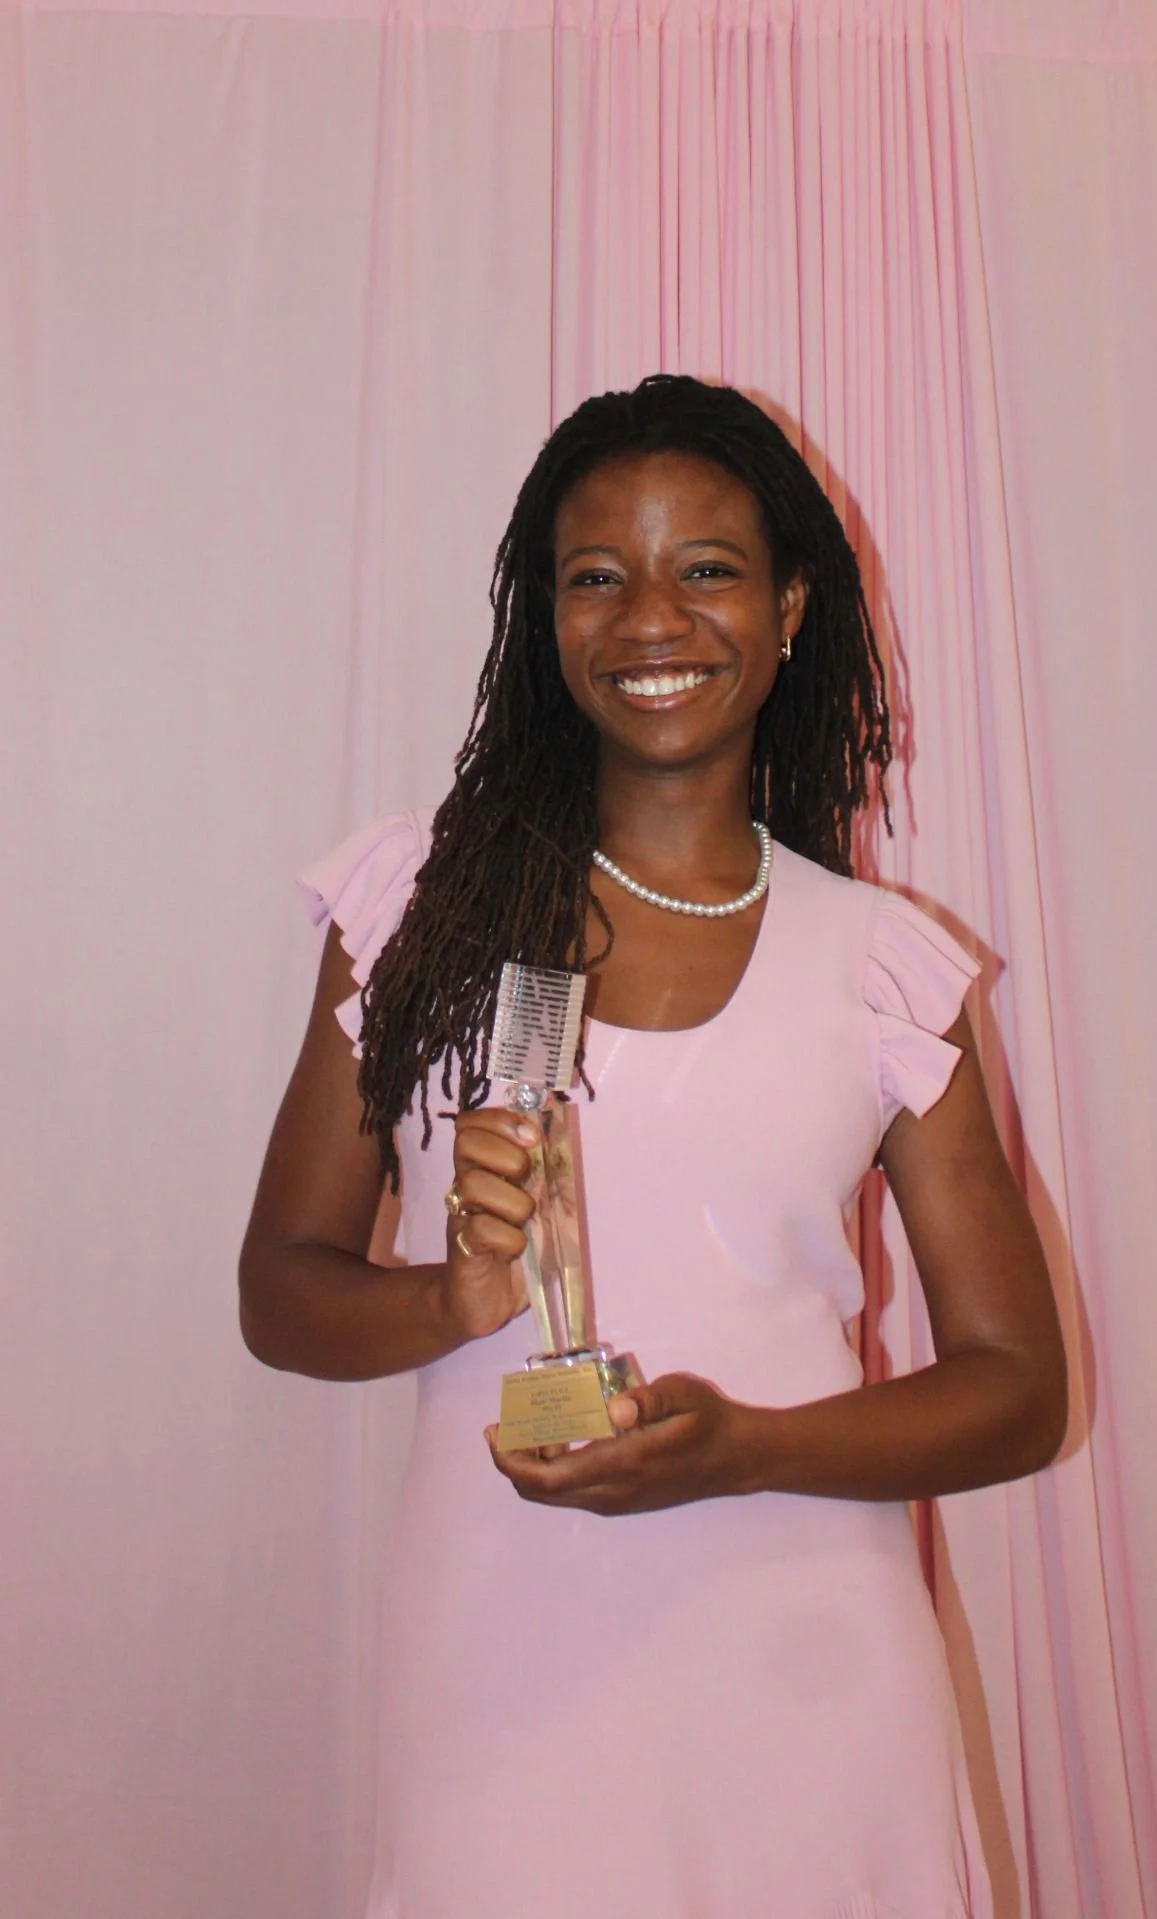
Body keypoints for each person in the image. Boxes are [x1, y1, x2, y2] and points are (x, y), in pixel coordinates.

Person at [240, 374, 1067, 1919]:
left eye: (707, 568)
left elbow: (1020, 1390)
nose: (651, 619)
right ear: (544, 617)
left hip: (812, 1661)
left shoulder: (883, 964)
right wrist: (447, 1298)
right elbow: (279, 1292)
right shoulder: (415, 913)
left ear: (791, 606)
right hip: (502, 1657)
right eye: (597, 576)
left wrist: (744, 1448)